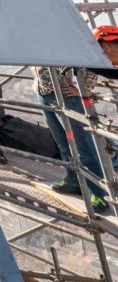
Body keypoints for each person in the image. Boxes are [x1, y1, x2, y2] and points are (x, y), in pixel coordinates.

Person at [35, 64, 108, 213]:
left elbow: (87, 62)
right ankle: (73, 181)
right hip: (43, 94)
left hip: (66, 96)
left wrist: (84, 88)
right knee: (63, 144)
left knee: (83, 147)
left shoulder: (62, 40)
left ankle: (99, 194)